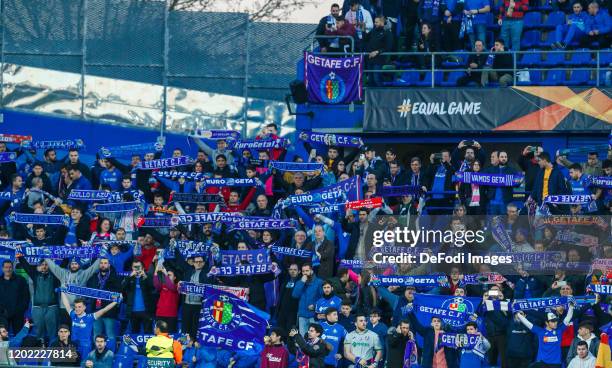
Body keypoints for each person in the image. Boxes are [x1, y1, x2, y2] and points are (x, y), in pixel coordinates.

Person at [61, 292, 118, 360]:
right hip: (74, 345)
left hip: (85, 347)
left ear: (84, 307)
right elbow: (66, 304)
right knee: (72, 364)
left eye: (79, 307)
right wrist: (62, 291)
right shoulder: (73, 315)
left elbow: (104, 310)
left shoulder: (89, 317)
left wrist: (116, 301)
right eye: (75, 307)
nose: (77, 309)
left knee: (84, 364)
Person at [121, 260, 155, 334]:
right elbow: (121, 289)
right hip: (133, 311)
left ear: (142, 268)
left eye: (138, 267)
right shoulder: (129, 278)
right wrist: (129, 277)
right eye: (134, 267)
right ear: (132, 268)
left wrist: (146, 277)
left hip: (146, 311)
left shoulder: (148, 276)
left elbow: (154, 290)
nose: (136, 269)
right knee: (134, 334)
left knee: (148, 333)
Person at [292, 263, 324, 336]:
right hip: (302, 315)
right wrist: (302, 282)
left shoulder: (319, 282)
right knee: (303, 338)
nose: (305, 273)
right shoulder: (299, 282)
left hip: (313, 315)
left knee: (315, 337)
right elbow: (295, 295)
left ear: (311, 271)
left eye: (307, 270)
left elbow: (323, 298)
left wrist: (315, 305)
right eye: (303, 271)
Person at [0, 260, 30, 333]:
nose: (8, 269)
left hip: (18, 314)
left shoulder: (21, 280)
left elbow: (26, 296)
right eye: (6, 267)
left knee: (19, 336)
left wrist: (21, 309)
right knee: (2, 336)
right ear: (2, 268)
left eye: (10, 267)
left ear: (13, 268)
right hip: (2, 314)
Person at [364, 16, 393, 87]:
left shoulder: (387, 32)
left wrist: (377, 52)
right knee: (370, 79)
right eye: (375, 22)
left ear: (382, 22)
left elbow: (388, 47)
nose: (375, 23)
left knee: (376, 78)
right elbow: (365, 39)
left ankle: (381, 96)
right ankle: (371, 97)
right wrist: (363, 30)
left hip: (379, 59)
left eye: (376, 22)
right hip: (370, 58)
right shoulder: (373, 31)